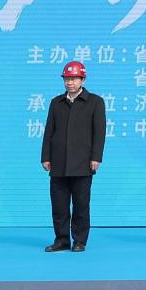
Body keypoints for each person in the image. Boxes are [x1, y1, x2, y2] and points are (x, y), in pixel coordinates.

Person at [41, 60, 105, 252]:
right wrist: (46, 157)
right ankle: (61, 239)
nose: (70, 82)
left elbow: (99, 132)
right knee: (59, 205)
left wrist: (96, 157)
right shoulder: (56, 103)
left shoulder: (95, 102)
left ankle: (79, 240)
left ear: (83, 80)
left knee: (81, 205)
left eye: (74, 79)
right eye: (67, 79)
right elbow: (49, 131)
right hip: (58, 162)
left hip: (83, 162)